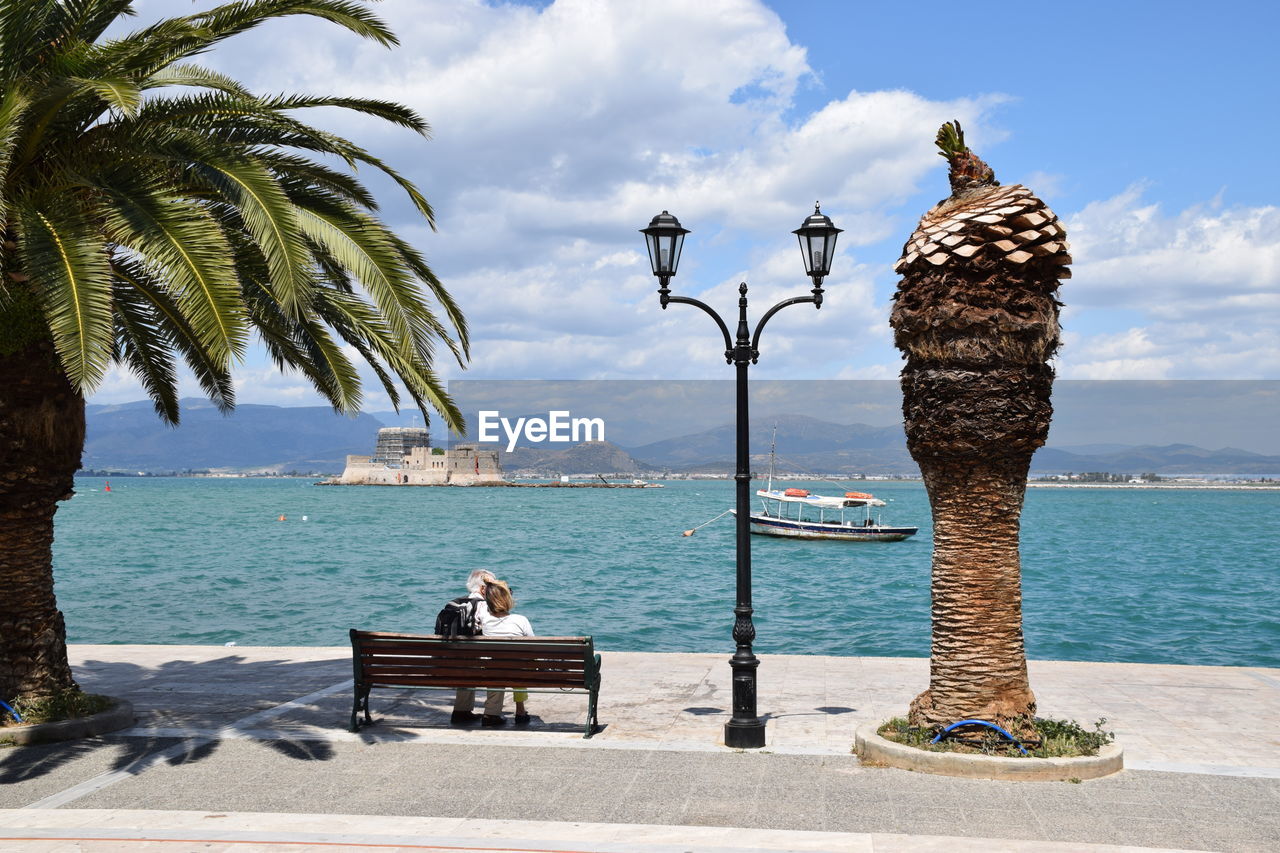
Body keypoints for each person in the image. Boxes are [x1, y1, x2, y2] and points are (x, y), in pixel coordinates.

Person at [477, 579, 534, 726]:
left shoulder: (485, 620)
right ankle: (520, 711)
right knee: (518, 664)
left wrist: (488, 586)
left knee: (496, 666)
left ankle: (491, 713)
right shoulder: (521, 620)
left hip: (494, 670)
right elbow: (534, 646)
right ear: (508, 599)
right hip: (517, 672)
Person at [450, 569, 495, 724]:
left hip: (452, 662)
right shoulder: (483, 607)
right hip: (478, 660)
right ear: (483, 588)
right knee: (497, 667)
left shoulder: (457, 603)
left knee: (467, 664)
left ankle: (461, 711)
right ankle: (492, 714)